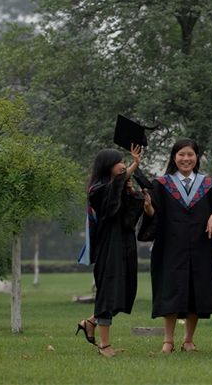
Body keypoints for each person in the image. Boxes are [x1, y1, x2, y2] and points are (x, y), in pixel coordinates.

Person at [140, 138, 212, 354]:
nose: (186, 159)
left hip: (201, 248)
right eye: (181, 154)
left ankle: (188, 340)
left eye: (190, 154)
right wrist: (148, 208)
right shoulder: (161, 184)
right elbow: (154, 216)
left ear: (196, 157)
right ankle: (168, 340)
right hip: (170, 248)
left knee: (196, 291)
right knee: (169, 290)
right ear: (174, 157)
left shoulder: (208, 184)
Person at [76, 144, 150, 357]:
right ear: (107, 165)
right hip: (109, 247)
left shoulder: (120, 186)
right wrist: (135, 165)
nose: (122, 165)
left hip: (126, 245)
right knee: (109, 294)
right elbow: (109, 205)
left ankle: (90, 321)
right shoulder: (97, 190)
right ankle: (105, 345)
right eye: (119, 162)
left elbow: (128, 220)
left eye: (123, 162)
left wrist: (139, 199)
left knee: (123, 294)